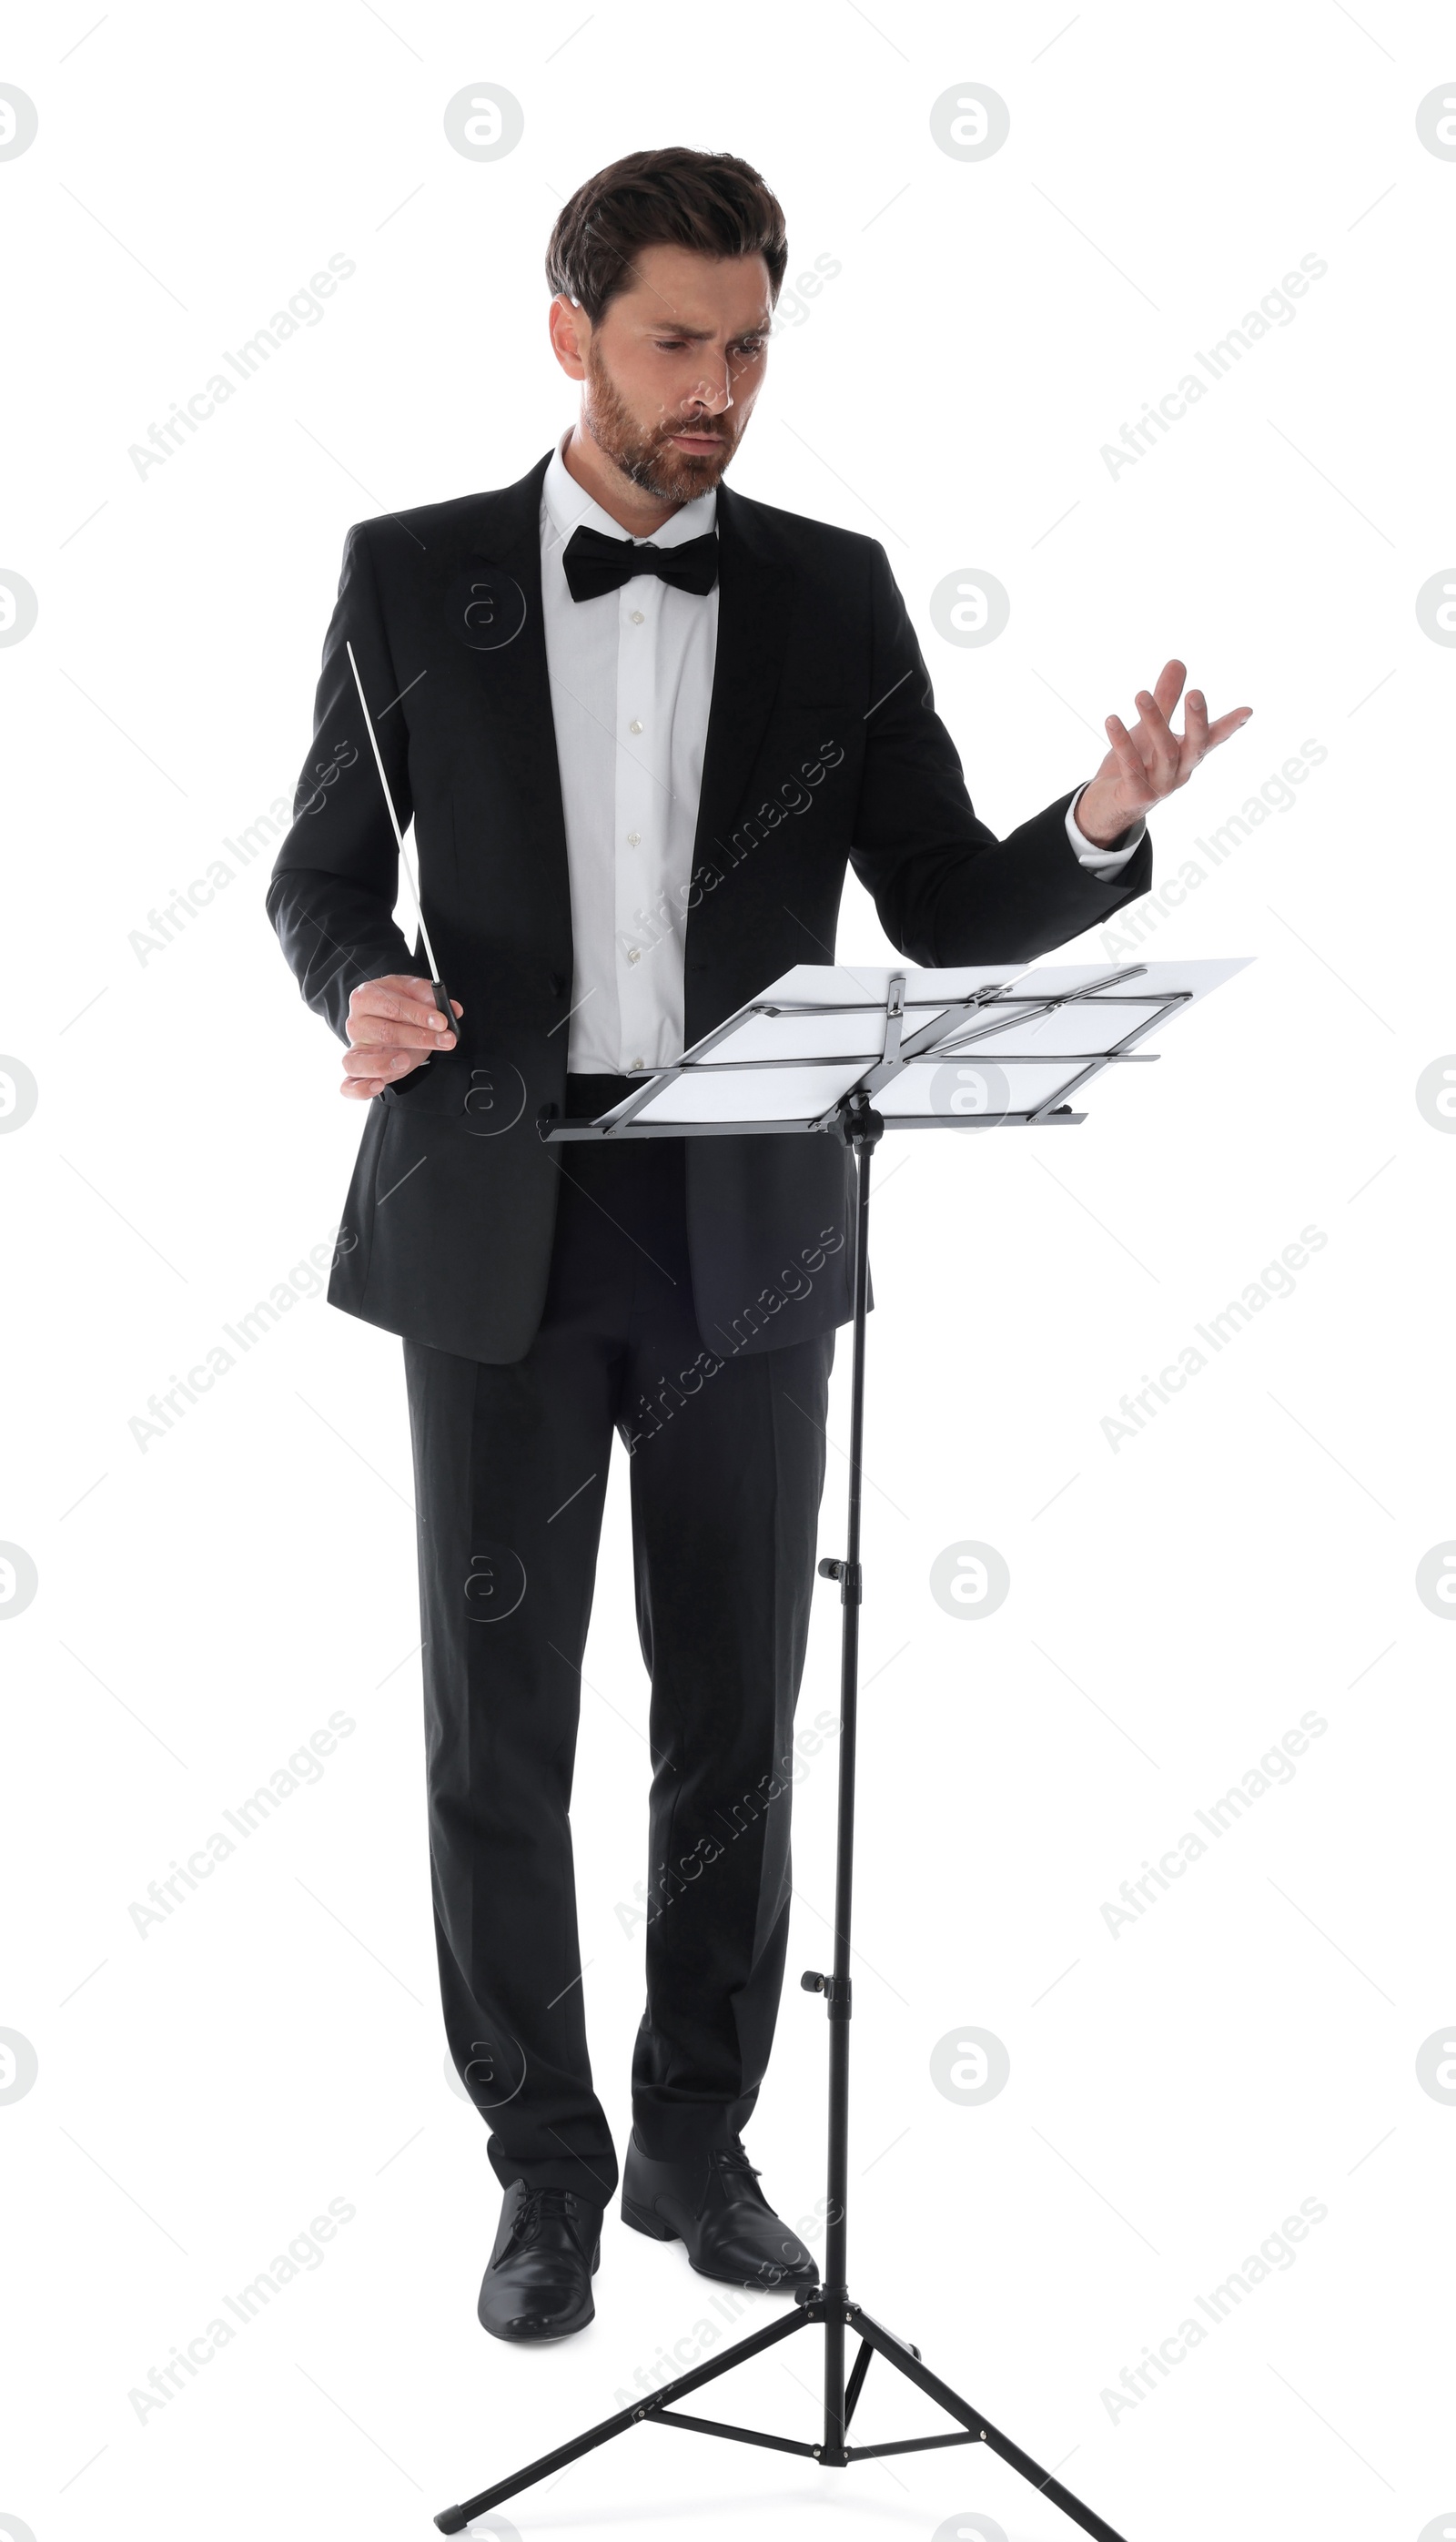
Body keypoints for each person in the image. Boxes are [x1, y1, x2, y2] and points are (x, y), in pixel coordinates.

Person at [266, 145, 1251, 2343]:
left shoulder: (828, 590)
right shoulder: (409, 575)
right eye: (674, 345)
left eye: (746, 348)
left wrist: (1096, 827)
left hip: (752, 1226)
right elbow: (323, 870)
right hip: (489, 1218)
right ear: (569, 336)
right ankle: (542, 2170)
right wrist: (359, 987)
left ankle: (695, 2149)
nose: (716, 389)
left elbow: (943, 907)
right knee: (493, 1724)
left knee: (734, 1716)